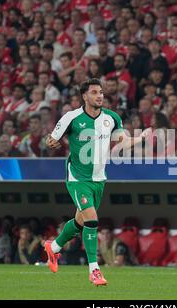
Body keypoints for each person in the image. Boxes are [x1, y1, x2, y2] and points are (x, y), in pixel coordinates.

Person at [44, 78, 151, 286]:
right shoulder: (71, 117)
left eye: (101, 92)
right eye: (94, 92)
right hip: (77, 177)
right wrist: (52, 142)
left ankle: (54, 247)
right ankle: (94, 271)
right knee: (92, 220)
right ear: (85, 96)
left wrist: (141, 138)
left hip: (99, 178)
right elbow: (51, 139)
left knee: (80, 222)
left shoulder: (112, 118)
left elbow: (123, 142)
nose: (99, 95)